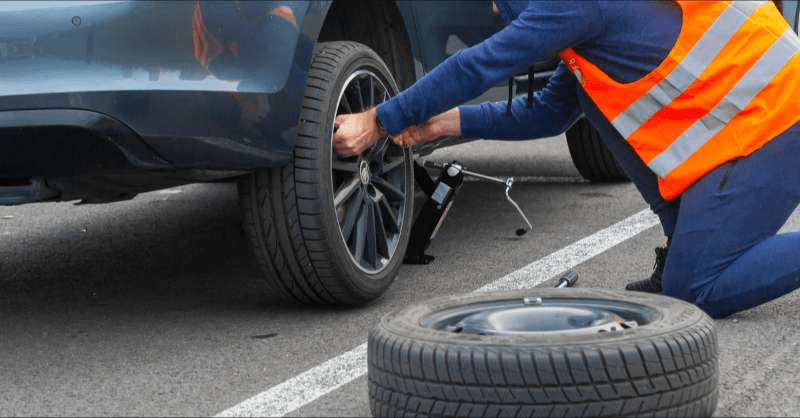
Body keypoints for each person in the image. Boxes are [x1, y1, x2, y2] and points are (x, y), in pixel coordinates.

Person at [332, 0, 800, 319]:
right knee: (592, 97)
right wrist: (444, 123)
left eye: (501, 4)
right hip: (752, 124)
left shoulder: (578, 4)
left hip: (779, 126)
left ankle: (693, 259)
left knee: (694, 288)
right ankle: (685, 240)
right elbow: (550, 113)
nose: (499, 13)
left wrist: (379, 119)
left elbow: (478, 64)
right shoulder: (586, 22)